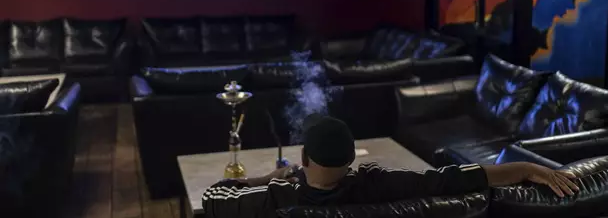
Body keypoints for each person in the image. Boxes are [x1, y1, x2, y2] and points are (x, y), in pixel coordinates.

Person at [203, 115, 579, 218]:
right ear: (352, 159)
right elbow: (464, 177)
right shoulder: (383, 185)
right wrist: (528, 169)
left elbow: (212, 196)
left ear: (302, 160)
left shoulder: (274, 196)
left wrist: (264, 177)